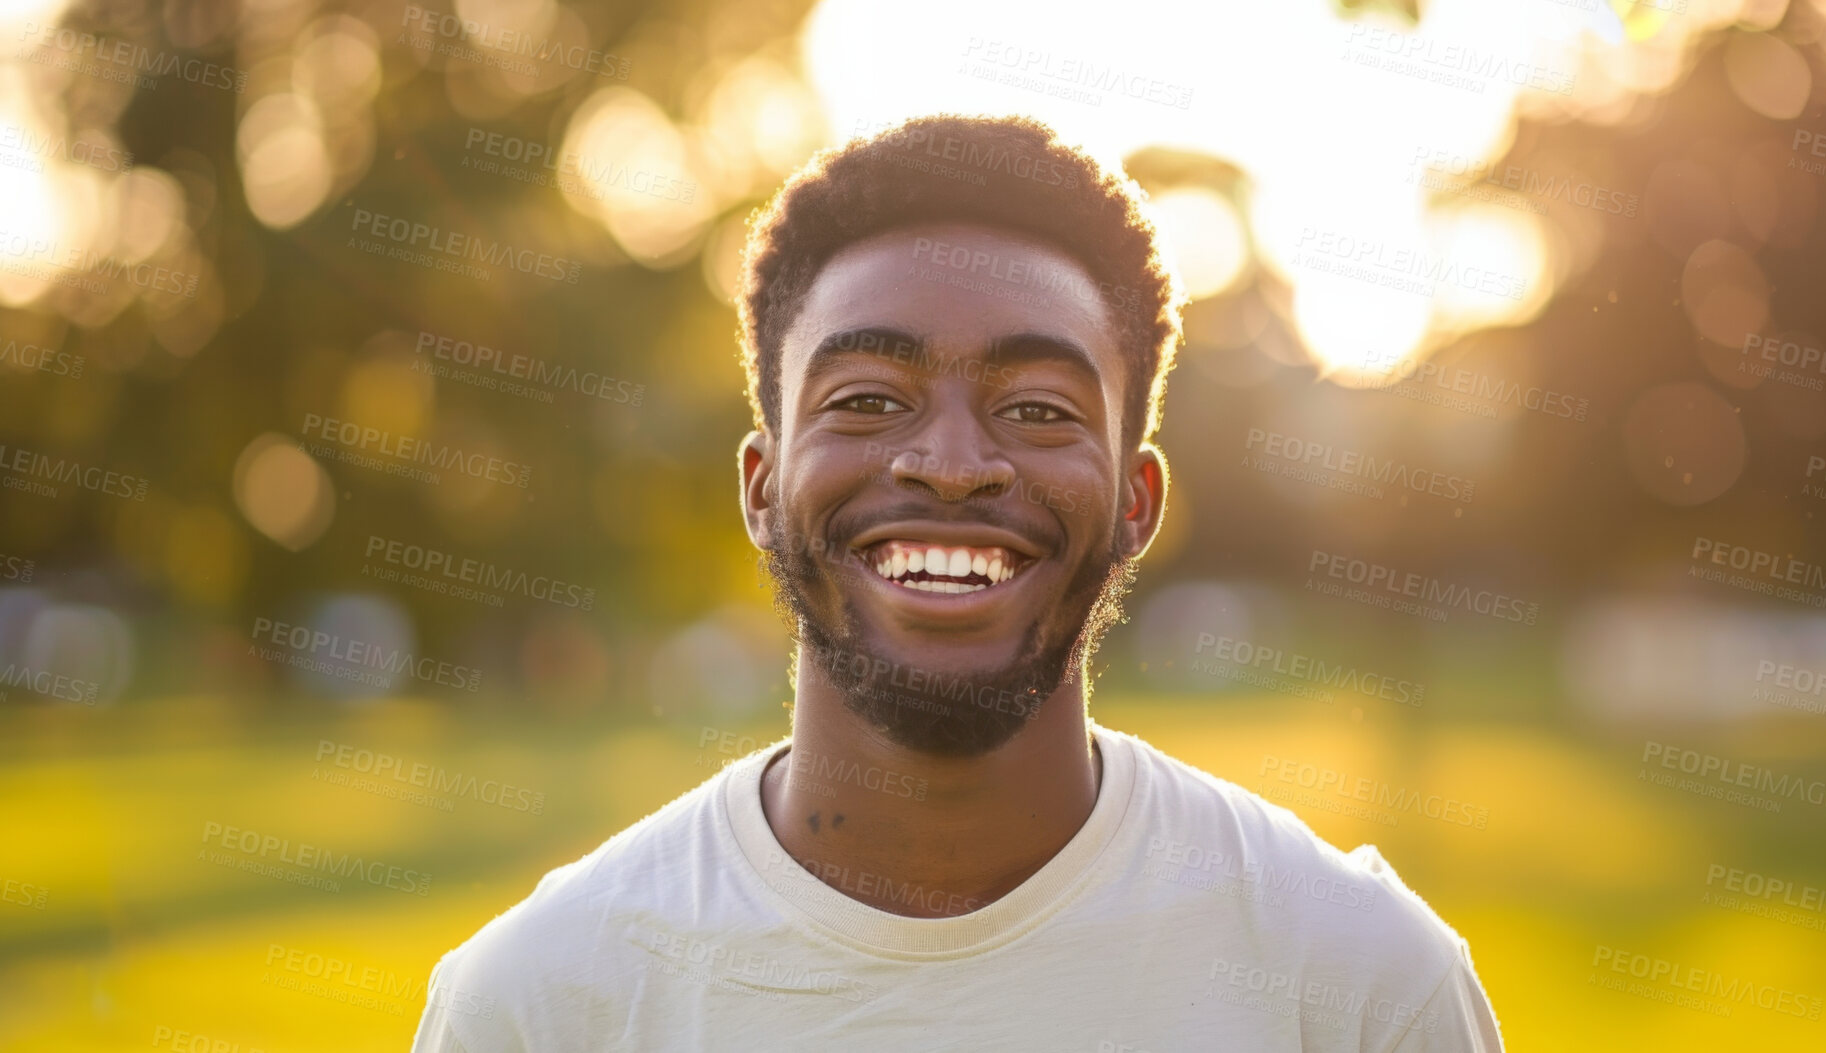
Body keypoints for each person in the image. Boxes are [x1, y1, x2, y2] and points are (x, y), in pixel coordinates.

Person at [412, 113, 1507, 1052]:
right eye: (866, 400)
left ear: (1136, 502)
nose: (948, 463)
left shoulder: (1363, 988)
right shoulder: (538, 1005)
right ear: (760, 487)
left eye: (1037, 409)